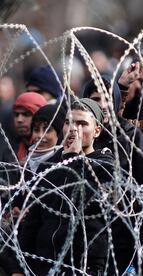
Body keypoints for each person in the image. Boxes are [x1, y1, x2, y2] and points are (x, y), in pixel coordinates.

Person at [11, 98, 114, 275]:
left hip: (82, 265)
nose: (74, 129)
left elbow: (80, 203)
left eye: (82, 123)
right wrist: (20, 268)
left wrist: (72, 158)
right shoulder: (48, 167)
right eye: (68, 123)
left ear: (97, 131)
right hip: (45, 263)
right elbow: (33, 223)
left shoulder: (105, 166)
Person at [82, 74, 143, 273]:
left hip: (122, 234)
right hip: (85, 235)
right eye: (96, 99)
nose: (103, 105)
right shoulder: (79, 136)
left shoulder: (129, 136)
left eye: (107, 98)